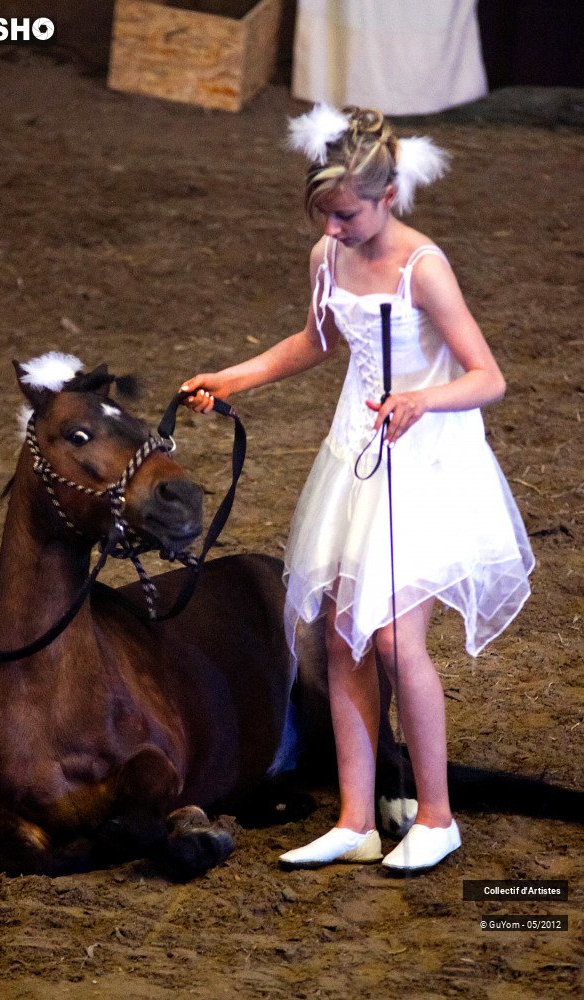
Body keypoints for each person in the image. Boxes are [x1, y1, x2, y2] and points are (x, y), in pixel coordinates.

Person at [180, 105, 534, 872]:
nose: (333, 230)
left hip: (425, 459)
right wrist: (229, 376)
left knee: (395, 640)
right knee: (341, 640)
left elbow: (488, 377)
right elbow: (316, 340)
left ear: (388, 196)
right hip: (356, 452)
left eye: (345, 215)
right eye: (323, 216)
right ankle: (354, 818)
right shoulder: (327, 256)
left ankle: (436, 817)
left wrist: (418, 400)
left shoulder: (423, 267)